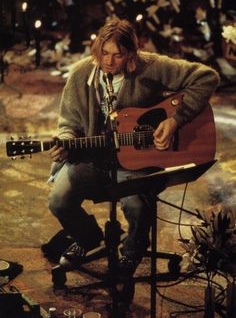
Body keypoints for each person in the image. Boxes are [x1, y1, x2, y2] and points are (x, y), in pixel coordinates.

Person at [47, 18, 219, 276]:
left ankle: (132, 253)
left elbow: (207, 77)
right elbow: (68, 123)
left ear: (131, 53)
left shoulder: (150, 67)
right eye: (104, 53)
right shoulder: (80, 75)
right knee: (59, 200)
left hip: (139, 162)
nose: (109, 61)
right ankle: (87, 238)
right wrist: (66, 141)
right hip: (94, 160)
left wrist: (174, 120)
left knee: (136, 205)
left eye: (118, 55)